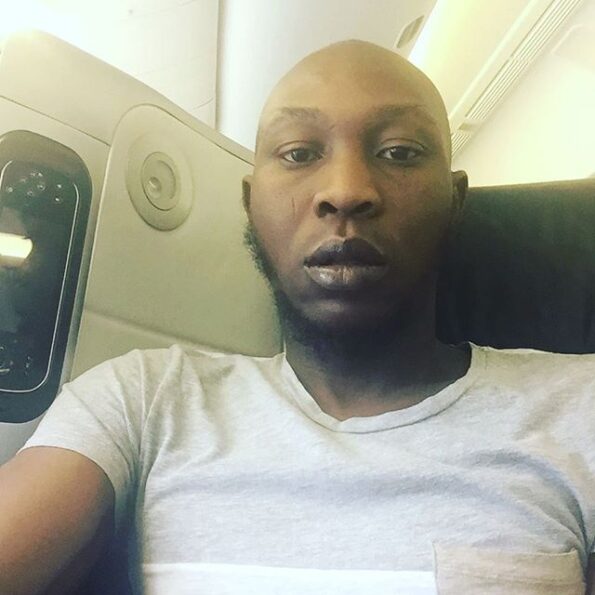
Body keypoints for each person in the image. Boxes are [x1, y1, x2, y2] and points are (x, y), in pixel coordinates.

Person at [0, 40, 593, 595]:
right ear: (250, 204)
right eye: (300, 153)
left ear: (454, 199)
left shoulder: (579, 407)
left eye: (399, 152)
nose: (346, 191)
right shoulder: (143, 401)